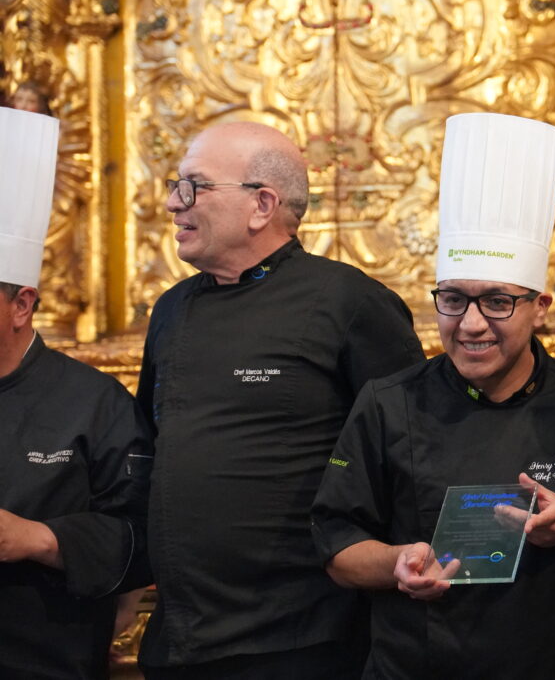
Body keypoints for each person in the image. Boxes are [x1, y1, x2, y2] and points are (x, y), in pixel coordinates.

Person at [311, 113, 555, 680]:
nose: (471, 324)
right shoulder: (388, 404)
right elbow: (338, 547)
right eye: (453, 300)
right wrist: (399, 563)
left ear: (540, 308)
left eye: (497, 302)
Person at [136, 121, 425, 679]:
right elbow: (151, 450)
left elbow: (408, 456)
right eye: (176, 186)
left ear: (262, 205)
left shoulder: (350, 302)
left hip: (302, 639)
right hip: (182, 639)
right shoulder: (171, 309)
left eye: (194, 186)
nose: (174, 203)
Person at [0, 107, 153, 678]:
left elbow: (143, 537)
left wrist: (38, 539)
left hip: (46, 658)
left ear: (21, 305)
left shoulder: (96, 404)